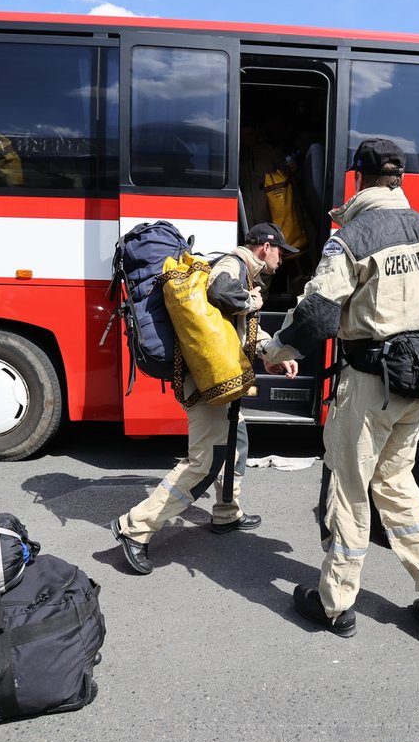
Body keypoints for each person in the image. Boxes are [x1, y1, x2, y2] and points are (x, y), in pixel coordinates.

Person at [260, 138, 419, 637]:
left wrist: (274, 354)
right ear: (400, 177)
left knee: (350, 489)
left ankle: (335, 604)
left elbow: (317, 313)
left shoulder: (352, 235)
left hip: (368, 382)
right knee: (397, 483)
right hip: (416, 385)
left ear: (358, 177)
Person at [110, 222, 300, 575]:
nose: (282, 260)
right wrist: (250, 300)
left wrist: (271, 355)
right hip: (206, 385)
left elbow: (234, 330)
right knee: (202, 462)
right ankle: (135, 528)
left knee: (236, 439)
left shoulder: (245, 271)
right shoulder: (232, 266)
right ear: (264, 247)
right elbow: (221, 292)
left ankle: (227, 511)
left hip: (215, 381)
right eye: (280, 253)